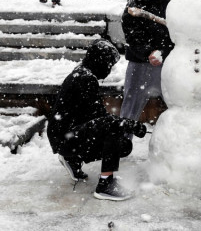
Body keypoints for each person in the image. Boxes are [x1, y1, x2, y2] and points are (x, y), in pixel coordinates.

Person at [47, 39, 147, 201]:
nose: (108, 70)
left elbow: (94, 116)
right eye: (108, 65)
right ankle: (105, 184)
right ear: (99, 62)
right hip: (65, 138)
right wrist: (132, 125)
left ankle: (73, 158)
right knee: (114, 133)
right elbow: (103, 121)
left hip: (63, 136)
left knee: (121, 143)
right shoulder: (85, 79)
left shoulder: (82, 72)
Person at [119, 0, 174, 123]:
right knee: (130, 105)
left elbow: (178, 33)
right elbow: (132, 37)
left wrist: (164, 52)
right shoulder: (133, 7)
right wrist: (147, 52)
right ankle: (123, 138)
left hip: (167, 61)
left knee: (177, 102)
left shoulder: (172, 3)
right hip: (139, 63)